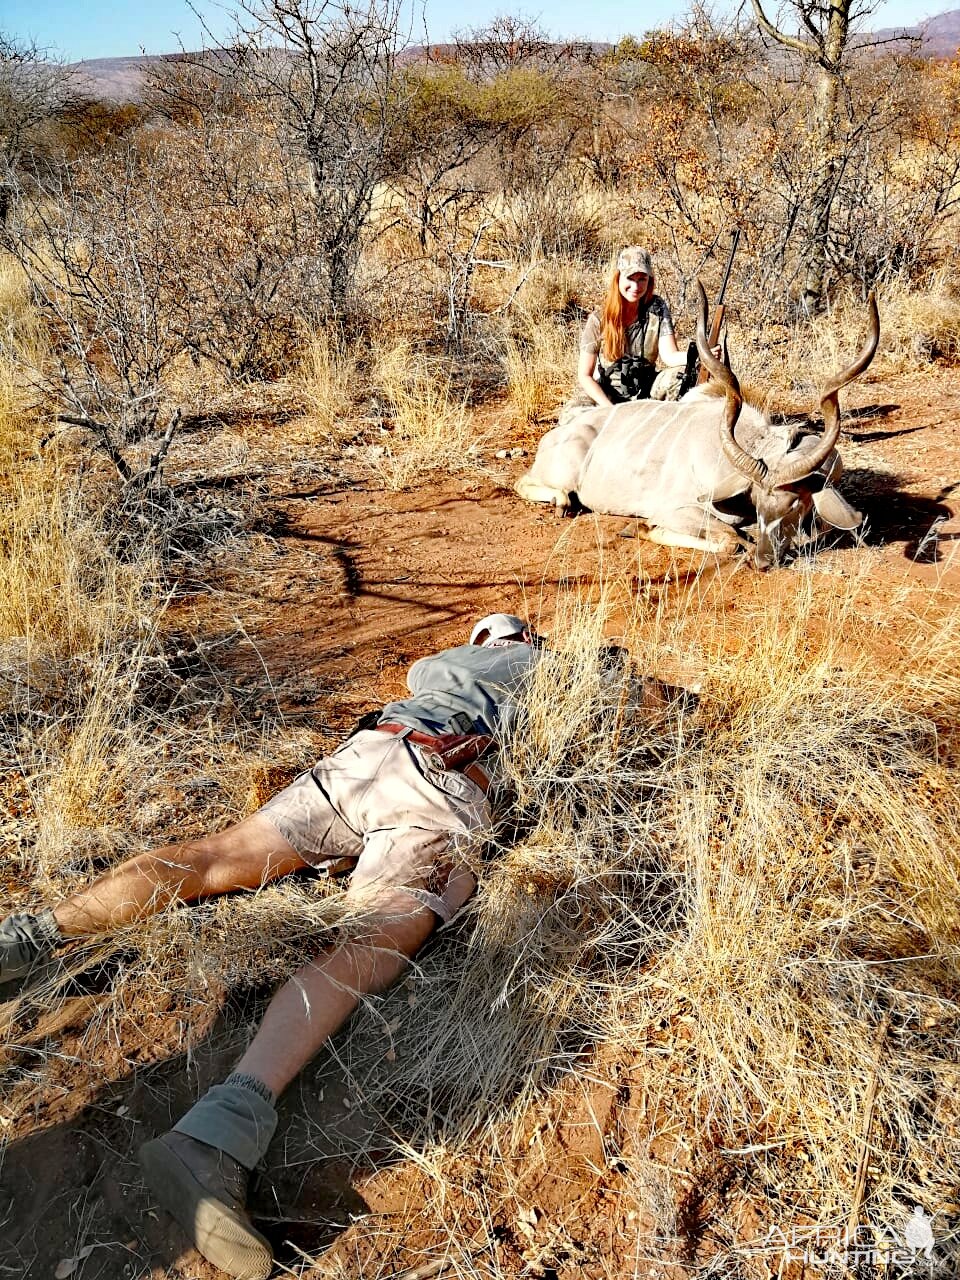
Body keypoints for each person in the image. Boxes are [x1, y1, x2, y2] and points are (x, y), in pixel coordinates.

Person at [0, 612, 544, 1280]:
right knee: (372, 942)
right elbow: (622, 711)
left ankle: (27, 938)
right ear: (523, 643)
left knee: (213, 857)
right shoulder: (542, 665)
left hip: (363, 759)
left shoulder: (435, 668)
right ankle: (220, 1132)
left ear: (478, 641)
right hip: (443, 782)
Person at [560, 246, 691, 423]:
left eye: (642, 279)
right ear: (618, 278)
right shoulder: (599, 319)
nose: (636, 286)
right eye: (630, 278)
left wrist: (699, 355)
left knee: (682, 376)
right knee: (572, 416)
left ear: (649, 280)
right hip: (609, 394)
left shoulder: (657, 308)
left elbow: (670, 356)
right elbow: (585, 375)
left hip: (647, 390)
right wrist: (609, 410)